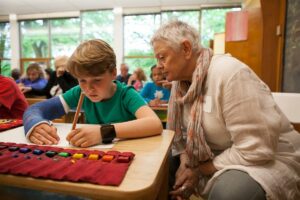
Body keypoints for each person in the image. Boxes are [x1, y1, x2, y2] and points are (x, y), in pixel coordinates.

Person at [151, 20, 300, 200]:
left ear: (186, 49)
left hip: (266, 159)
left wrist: (197, 170)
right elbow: (180, 137)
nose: (158, 65)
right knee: (159, 168)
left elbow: (256, 149)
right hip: (216, 155)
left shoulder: (230, 74)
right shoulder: (179, 84)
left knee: (230, 194)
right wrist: (186, 163)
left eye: (162, 57)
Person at [23, 39, 163, 148]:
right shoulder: (79, 92)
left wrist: (102, 132)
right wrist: (35, 124)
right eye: (82, 80)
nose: (89, 88)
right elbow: (35, 109)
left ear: (113, 73)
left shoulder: (125, 94)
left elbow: (154, 123)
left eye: (97, 80)